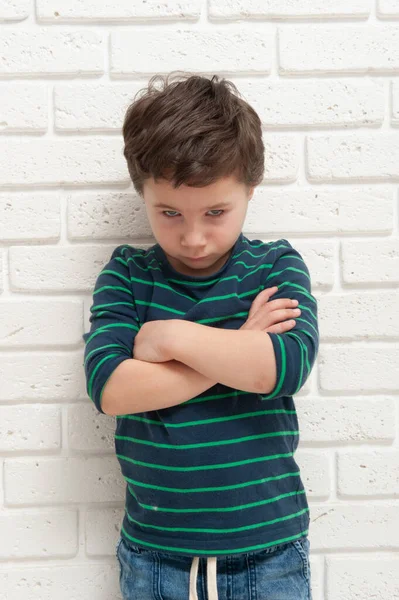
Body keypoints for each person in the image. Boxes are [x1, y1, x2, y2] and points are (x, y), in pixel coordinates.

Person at [82, 72, 319, 600]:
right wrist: (236, 345)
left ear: (250, 189)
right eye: (169, 213)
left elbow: (280, 369)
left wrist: (167, 338)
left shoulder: (273, 266)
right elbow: (113, 390)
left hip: (270, 548)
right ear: (143, 193)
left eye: (215, 213)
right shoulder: (127, 275)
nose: (192, 237)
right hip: (155, 553)